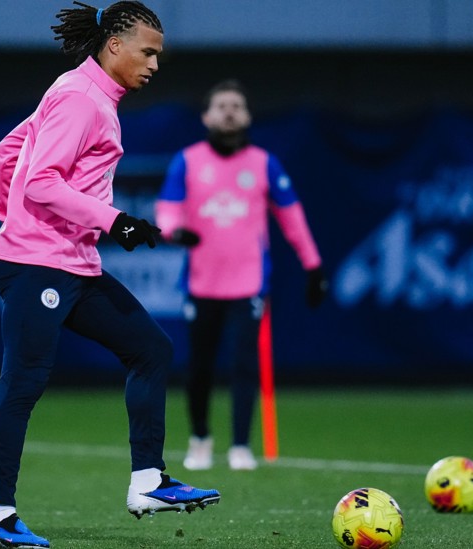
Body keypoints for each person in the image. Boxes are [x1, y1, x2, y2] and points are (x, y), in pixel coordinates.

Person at [0, 3, 220, 548]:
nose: (155, 64)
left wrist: (4, 218)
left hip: (71, 264)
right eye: (148, 52)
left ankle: (148, 481)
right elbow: (40, 181)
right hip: (39, 263)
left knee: (150, 350)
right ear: (114, 45)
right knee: (24, 381)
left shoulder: (80, 91)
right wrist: (113, 220)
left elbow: (7, 151)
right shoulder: (82, 99)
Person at [155, 79, 328, 472]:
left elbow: (292, 218)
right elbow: (167, 208)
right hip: (201, 282)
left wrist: (313, 265)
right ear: (206, 116)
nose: (229, 111)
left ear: (247, 115)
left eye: (237, 105)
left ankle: (240, 446)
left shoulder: (264, 164)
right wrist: (173, 231)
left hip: (248, 283)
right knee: (199, 365)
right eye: (221, 105)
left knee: (244, 363)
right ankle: (200, 439)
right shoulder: (188, 160)